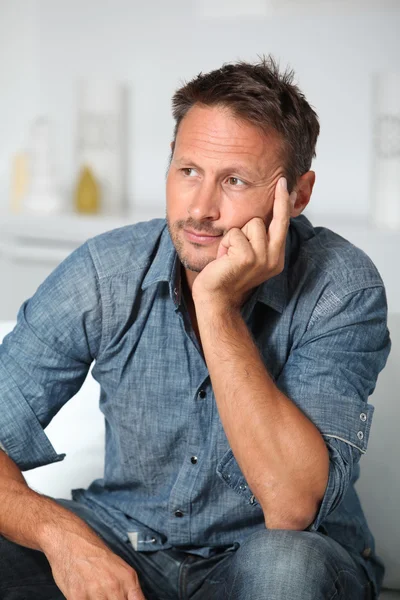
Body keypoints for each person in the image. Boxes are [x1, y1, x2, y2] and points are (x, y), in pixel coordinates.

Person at [0, 56, 390, 600]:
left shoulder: (341, 286)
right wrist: (60, 534)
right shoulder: (105, 272)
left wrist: (216, 308)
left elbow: (291, 506)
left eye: (234, 180)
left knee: (284, 566)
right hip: (125, 538)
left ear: (297, 195)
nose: (200, 209)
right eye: (188, 172)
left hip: (270, 554)